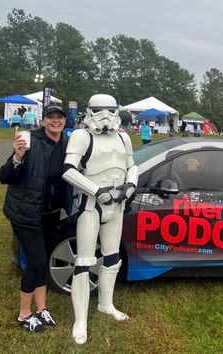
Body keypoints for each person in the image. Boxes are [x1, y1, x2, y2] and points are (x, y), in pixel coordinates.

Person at [62, 94, 138, 345]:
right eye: (99, 111)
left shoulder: (123, 137)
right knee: (84, 261)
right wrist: (95, 191)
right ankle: (80, 320)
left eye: (110, 111)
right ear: (89, 111)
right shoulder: (82, 136)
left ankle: (106, 304)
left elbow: (132, 165)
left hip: (116, 203)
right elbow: (68, 169)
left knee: (112, 257)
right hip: (91, 205)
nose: (105, 117)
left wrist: (131, 184)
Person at [0, 105, 73, 333]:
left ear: (65, 121)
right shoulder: (31, 141)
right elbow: (4, 176)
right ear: (43, 121)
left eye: (59, 117)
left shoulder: (68, 144)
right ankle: (24, 315)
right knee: (36, 262)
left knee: (44, 260)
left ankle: (42, 309)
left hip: (52, 213)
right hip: (25, 213)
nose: (55, 120)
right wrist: (18, 157)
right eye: (50, 117)